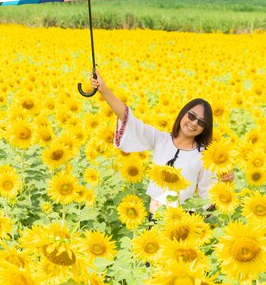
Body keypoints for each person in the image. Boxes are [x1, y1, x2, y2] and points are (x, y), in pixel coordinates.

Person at [90, 71, 233, 215]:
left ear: (204, 129)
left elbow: (208, 199)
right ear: (183, 114)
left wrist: (225, 182)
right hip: (154, 220)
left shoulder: (204, 155)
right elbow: (129, 120)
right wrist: (104, 89)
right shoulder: (161, 139)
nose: (194, 123)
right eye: (191, 116)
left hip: (180, 225)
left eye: (201, 122)